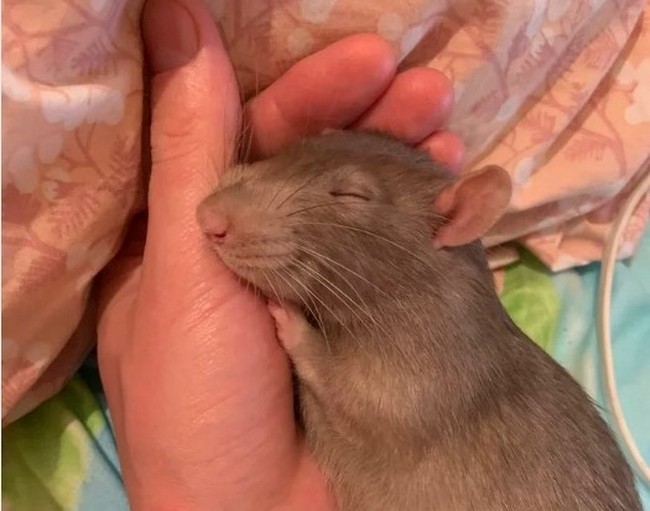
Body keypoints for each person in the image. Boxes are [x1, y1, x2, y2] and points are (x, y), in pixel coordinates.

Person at [96, 0, 464, 508]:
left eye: (348, 196)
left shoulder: (446, 341)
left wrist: (311, 354)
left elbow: (396, 412)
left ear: (455, 222)